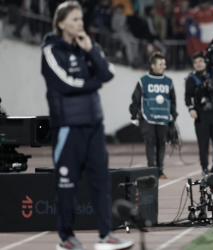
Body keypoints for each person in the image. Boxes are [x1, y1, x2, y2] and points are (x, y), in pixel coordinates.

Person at [40, 2, 133, 250]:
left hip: (94, 126)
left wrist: (91, 50)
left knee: (101, 183)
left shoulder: (89, 47)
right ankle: (66, 238)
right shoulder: (51, 50)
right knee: (67, 186)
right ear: (61, 23)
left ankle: (106, 236)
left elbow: (108, 72)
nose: (80, 23)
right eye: (74, 20)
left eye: (81, 19)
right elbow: (66, 84)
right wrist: (93, 82)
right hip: (68, 128)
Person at [129, 52, 178, 179]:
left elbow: (172, 100)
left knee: (162, 143)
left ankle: (160, 170)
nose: (163, 66)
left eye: (164, 64)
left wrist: (173, 115)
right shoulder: (143, 81)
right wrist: (134, 115)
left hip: (164, 118)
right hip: (147, 117)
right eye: (161, 64)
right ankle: (151, 169)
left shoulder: (169, 82)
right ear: (153, 65)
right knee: (150, 142)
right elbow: (136, 98)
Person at [185, 51, 213, 176]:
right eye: (195, 62)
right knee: (203, 144)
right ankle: (204, 168)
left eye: (200, 61)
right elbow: (188, 95)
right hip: (201, 115)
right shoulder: (192, 78)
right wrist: (191, 108)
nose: (198, 64)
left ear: (206, 62)